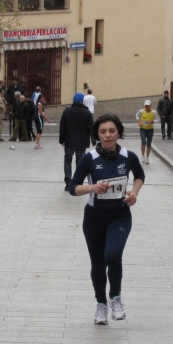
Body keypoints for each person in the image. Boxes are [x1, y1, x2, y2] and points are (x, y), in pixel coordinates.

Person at [70, 114, 145, 325]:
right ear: (97, 135)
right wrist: (92, 187)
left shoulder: (128, 157)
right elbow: (73, 188)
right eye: (103, 132)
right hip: (94, 217)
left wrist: (134, 192)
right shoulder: (89, 158)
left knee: (113, 255)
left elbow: (140, 176)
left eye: (112, 131)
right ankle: (101, 304)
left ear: (119, 133)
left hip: (119, 215)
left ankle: (116, 297)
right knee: (98, 263)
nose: (107, 135)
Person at [59, 92, 94, 191]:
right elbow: (91, 127)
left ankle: (68, 182)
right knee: (80, 161)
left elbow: (62, 127)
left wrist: (61, 140)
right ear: (82, 101)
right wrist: (93, 139)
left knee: (67, 160)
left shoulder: (67, 111)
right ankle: (77, 182)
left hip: (69, 141)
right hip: (82, 141)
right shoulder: (87, 112)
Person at [135, 99, 159, 164]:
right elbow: (137, 115)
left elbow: (158, 119)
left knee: (149, 144)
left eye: (148, 106)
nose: (147, 107)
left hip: (150, 129)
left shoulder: (153, 112)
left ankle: (147, 158)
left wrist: (153, 121)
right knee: (143, 142)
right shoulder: (141, 111)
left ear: (150, 106)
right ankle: (142, 156)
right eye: (146, 106)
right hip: (143, 129)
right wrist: (139, 121)